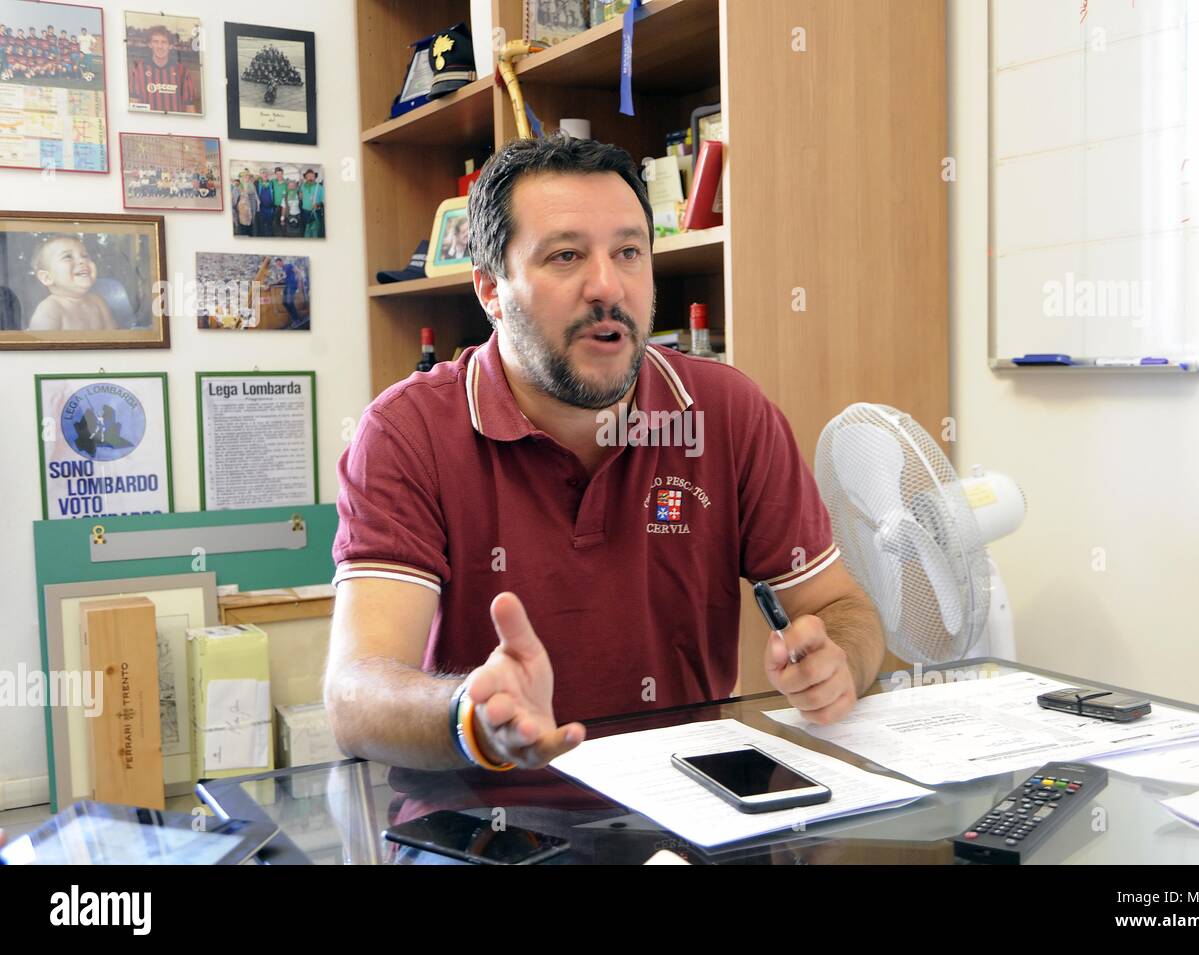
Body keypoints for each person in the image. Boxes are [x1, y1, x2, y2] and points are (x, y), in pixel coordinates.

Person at [324, 133, 883, 778]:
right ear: (490, 291)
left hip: (693, 811)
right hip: (479, 824)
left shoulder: (727, 411)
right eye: (565, 256)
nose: (606, 286)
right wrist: (471, 717)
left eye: (628, 253)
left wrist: (840, 661)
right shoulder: (408, 431)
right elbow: (356, 693)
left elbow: (841, 607)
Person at [27, 234, 116, 331]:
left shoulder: (98, 302)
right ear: (47, 277)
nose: (82, 260)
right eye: (68, 257)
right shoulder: (49, 310)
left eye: (85, 256)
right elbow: (41, 345)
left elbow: (115, 336)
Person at [128, 24, 199, 113]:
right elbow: (134, 105)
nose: (160, 46)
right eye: (156, 41)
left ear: (170, 46)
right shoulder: (139, 70)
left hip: (176, 125)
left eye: (164, 42)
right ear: (150, 44)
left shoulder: (182, 71)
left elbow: (190, 108)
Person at [276, 257, 306, 329]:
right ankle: (295, 318)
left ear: (282, 261)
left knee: (289, 302)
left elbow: (298, 272)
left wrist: (299, 283)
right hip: (287, 285)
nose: (278, 265)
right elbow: (286, 278)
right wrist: (280, 281)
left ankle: (296, 320)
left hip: (292, 285)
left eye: (279, 263)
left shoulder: (289, 265)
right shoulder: (283, 269)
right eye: (277, 264)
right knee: (284, 303)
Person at [233, 170, 258, 235]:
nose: (247, 178)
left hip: (251, 219)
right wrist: (235, 221)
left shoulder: (252, 188)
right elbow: (233, 206)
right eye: (245, 176)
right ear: (241, 178)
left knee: (250, 235)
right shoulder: (237, 189)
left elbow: (255, 202)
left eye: (248, 176)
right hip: (242, 220)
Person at [300, 168, 324, 238]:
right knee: (307, 229)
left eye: (312, 176)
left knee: (315, 231)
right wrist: (300, 195)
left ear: (315, 177)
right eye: (308, 176)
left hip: (315, 212)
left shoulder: (320, 187)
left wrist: (318, 204)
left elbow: (324, 201)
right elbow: (301, 195)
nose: (310, 178)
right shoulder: (302, 186)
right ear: (306, 177)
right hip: (305, 211)